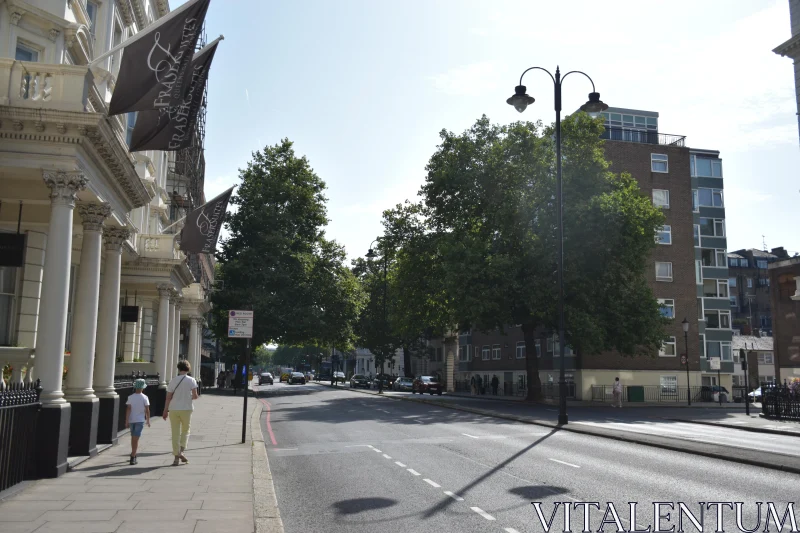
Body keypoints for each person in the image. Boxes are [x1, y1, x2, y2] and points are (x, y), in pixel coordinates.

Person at [162, 360, 199, 466]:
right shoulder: (191, 380)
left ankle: (176, 457)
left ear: (178, 368)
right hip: (186, 409)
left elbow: (168, 397)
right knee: (186, 430)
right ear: (188, 368)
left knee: (175, 433)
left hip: (173, 409)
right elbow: (195, 396)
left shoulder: (173, 380)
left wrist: (165, 411)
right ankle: (181, 451)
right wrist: (187, 398)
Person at [125, 379, 150, 465]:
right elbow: (147, 410)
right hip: (140, 420)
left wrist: (126, 420)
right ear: (143, 388)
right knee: (136, 438)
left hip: (132, 420)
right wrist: (148, 420)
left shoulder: (130, 397)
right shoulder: (145, 397)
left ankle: (133, 454)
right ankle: (133, 455)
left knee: (133, 438)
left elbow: (128, 409)